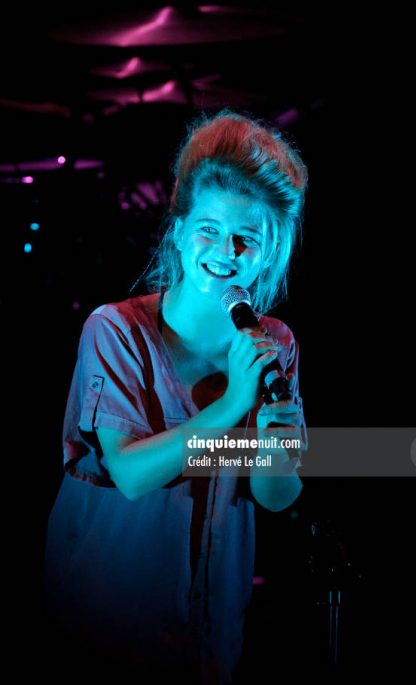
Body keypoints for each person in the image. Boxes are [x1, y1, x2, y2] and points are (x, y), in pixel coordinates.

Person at [44, 109, 308, 684]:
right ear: (180, 227)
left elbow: (276, 495)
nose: (225, 250)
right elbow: (133, 475)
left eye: (247, 238)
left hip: (211, 626)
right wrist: (234, 405)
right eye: (209, 229)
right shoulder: (114, 330)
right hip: (108, 625)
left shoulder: (276, 342)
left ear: (269, 250)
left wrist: (274, 442)